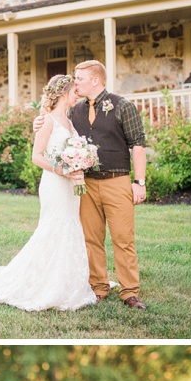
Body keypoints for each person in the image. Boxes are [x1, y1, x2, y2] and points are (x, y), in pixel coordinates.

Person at [0, 75, 97, 311]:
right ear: (64, 93)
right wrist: (62, 170)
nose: (78, 95)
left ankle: (67, 283)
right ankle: (44, 284)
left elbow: (72, 150)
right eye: (75, 92)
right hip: (55, 184)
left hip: (69, 186)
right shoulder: (48, 121)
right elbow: (37, 156)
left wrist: (79, 165)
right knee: (53, 227)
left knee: (70, 227)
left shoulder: (70, 122)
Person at [33, 60, 148, 309]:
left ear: (95, 80)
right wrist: (38, 122)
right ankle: (98, 287)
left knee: (123, 238)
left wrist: (139, 182)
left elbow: (138, 144)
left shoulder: (122, 106)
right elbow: (54, 121)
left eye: (80, 79)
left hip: (118, 181)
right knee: (91, 239)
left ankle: (130, 292)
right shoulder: (76, 110)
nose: (76, 83)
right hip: (85, 185)